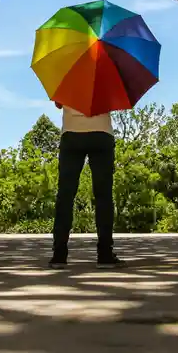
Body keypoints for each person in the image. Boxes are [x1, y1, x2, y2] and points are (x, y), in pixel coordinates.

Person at [49, 101, 125, 269]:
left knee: (65, 195)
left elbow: (58, 104)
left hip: (72, 133)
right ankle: (105, 254)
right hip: (101, 133)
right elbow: (114, 102)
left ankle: (59, 254)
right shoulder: (108, 82)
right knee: (103, 196)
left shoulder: (66, 82)